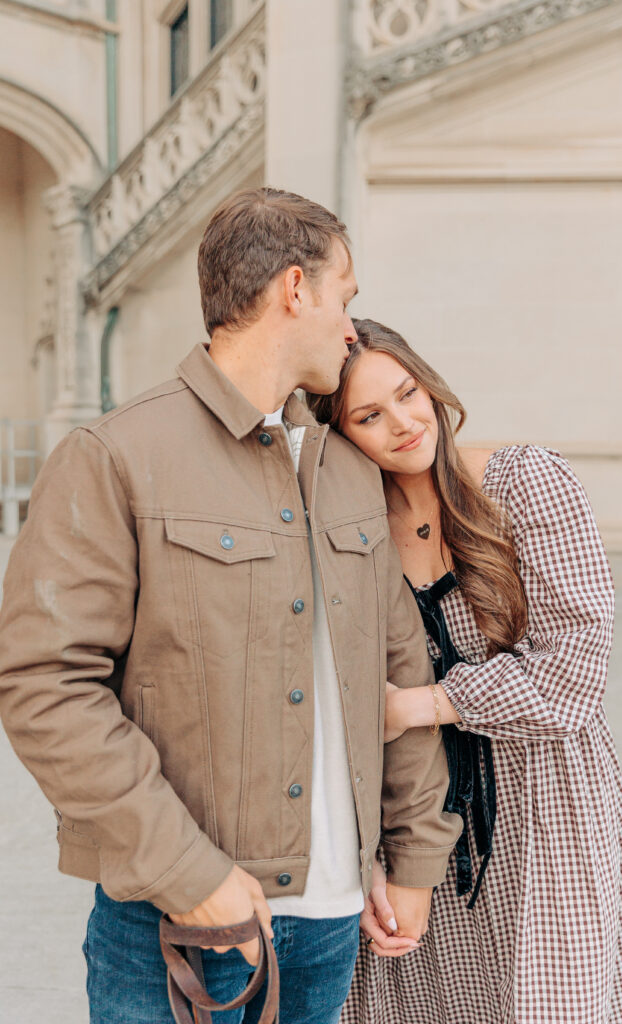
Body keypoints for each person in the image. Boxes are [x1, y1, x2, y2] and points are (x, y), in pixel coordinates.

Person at [0, 192, 462, 1024]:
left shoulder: (349, 472)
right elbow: (46, 688)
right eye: (344, 298)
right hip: (171, 927)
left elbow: (397, 675)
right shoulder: (113, 458)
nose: (351, 327)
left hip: (331, 926)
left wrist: (414, 859)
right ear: (296, 289)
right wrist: (194, 875)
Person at [308, 318, 622, 1024]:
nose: (403, 423)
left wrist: (417, 705)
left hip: (546, 804)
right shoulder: (351, 532)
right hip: (425, 817)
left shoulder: (525, 482)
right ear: (338, 435)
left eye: (408, 393)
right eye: (369, 415)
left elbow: (575, 674)